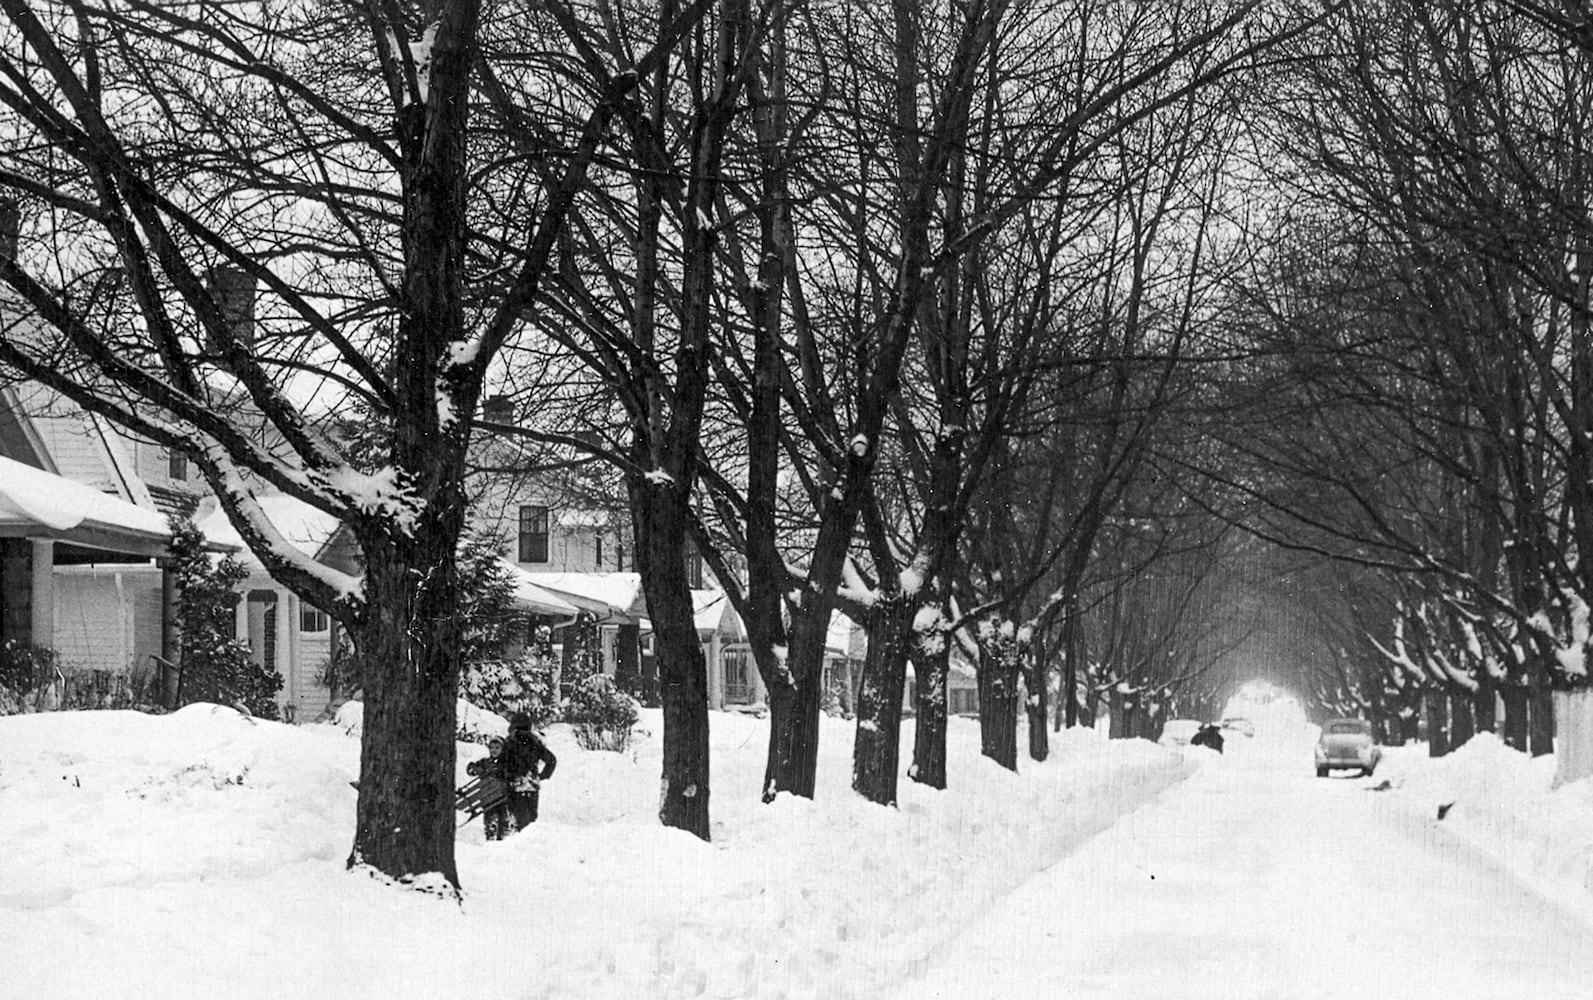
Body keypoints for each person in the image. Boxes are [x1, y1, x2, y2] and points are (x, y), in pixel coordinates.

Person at [501, 711, 557, 830]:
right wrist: (542, 776)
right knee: (530, 821)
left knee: (514, 818)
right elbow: (551, 760)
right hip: (531, 784)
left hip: (514, 784)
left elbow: (501, 762)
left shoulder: (509, 742)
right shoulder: (535, 743)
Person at [465, 736, 514, 840]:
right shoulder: (485, 762)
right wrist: (476, 769)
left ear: (502, 749)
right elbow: (470, 769)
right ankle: (490, 832)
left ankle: (503, 835)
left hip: (502, 797)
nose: (494, 750)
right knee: (490, 816)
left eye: (497, 748)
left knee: (503, 816)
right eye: (492, 748)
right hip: (488, 797)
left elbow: (512, 775)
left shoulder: (506, 763)